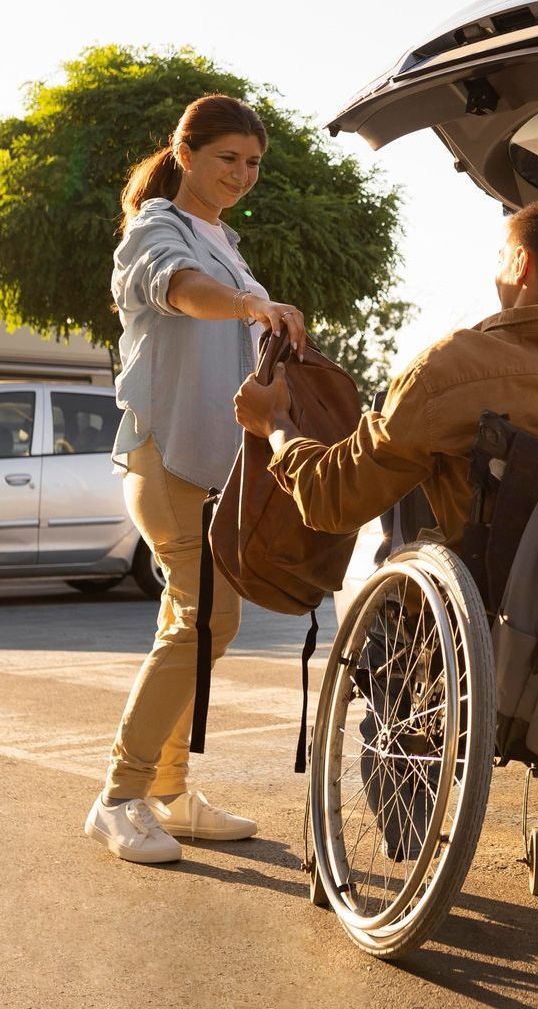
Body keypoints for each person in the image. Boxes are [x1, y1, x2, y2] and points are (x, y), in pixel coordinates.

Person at [234, 26, 538, 551]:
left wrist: (276, 423)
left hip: (494, 601)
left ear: (520, 262)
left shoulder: (448, 372)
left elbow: (333, 501)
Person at [84, 94, 308, 865]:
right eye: (227, 159)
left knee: (203, 623)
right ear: (186, 154)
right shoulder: (158, 228)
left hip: (223, 464)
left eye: (252, 163)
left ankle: (170, 794)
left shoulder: (229, 243)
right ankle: (119, 797)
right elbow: (178, 288)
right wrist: (247, 301)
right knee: (203, 619)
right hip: (169, 459)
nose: (242, 175)